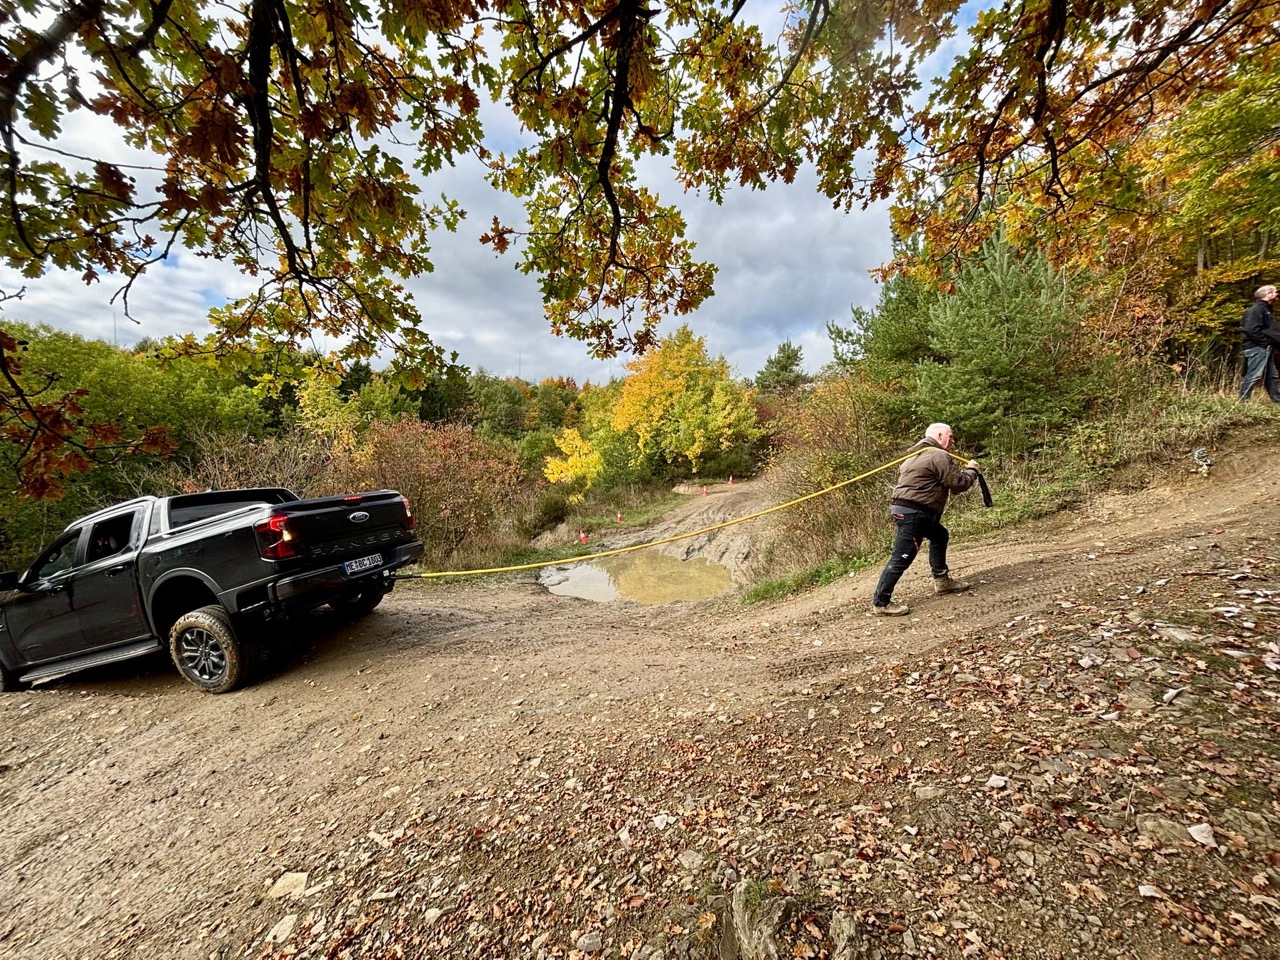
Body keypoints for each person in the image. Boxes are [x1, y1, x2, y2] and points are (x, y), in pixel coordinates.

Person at [871, 423, 981, 617]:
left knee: (939, 535)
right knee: (902, 556)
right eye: (950, 437)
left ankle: (942, 581)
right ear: (939, 436)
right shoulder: (938, 455)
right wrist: (972, 471)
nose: (953, 441)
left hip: (908, 509)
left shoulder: (913, 457)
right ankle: (881, 603)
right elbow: (958, 484)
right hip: (914, 512)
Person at [1239, 284, 1280, 403]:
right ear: (1268, 294)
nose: (1276, 294)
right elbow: (1250, 329)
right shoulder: (1256, 310)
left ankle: (1277, 400)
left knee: (1271, 376)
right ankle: (1243, 401)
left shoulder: (1266, 309)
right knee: (1254, 375)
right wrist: (1265, 343)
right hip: (1257, 348)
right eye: (1274, 292)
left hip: (1264, 347)